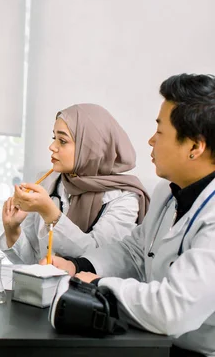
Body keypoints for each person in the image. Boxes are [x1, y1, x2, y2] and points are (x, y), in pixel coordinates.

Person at [47, 74, 215, 356]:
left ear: (195, 147)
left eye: (160, 132)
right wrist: (78, 265)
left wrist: (100, 285)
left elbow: (173, 310)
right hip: (154, 342)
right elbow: (136, 251)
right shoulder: (167, 192)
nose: (151, 140)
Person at [0, 104, 150, 264]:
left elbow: (98, 260)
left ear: (91, 148)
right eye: (54, 138)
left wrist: (50, 215)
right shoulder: (48, 181)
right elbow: (34, 261)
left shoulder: (125, 199)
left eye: (62, 141)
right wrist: (12, 228)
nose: (52, 147)